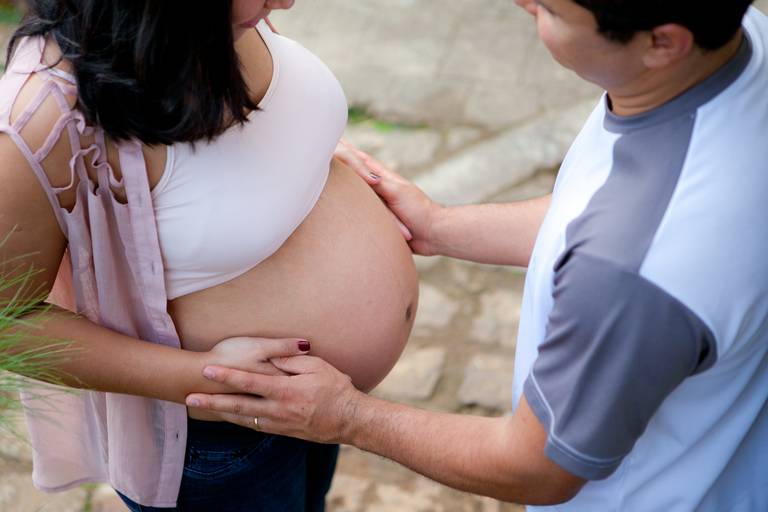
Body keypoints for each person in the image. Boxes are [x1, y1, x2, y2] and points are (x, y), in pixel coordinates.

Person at [188, 1, 768, 510]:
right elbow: (594, 214)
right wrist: (440, 227)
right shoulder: (741, 42)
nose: (522, 4)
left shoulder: (631, 273)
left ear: (663, 42)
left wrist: (346, 417)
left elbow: (535, 467)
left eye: (552, 11)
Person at [0, 0, 419, 510]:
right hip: (224, 442)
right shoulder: (44, 116)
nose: (284, 3)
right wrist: (208, 381)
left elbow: (230, 160)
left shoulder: (220, 17)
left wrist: (315, 148)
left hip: (323, 403)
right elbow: (8, 321)